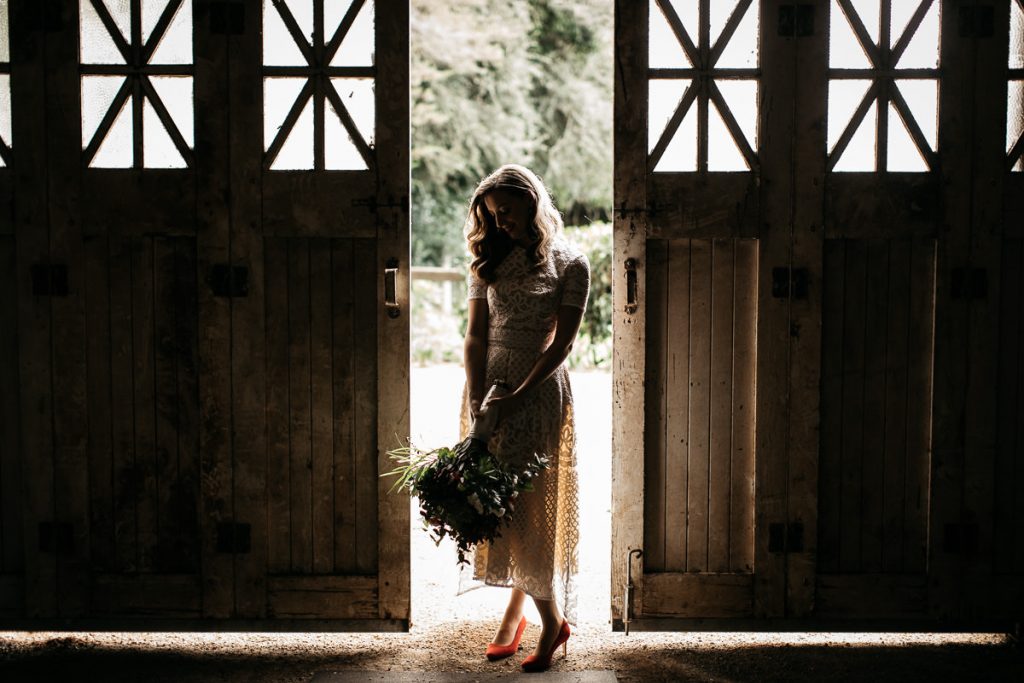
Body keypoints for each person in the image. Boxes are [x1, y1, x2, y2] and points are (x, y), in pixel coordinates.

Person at [459, 164, 590, 673]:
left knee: (526, 505)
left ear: (532, 203)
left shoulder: (570, 262)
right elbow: (475, 335)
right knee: (494, 501)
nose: (501, 223)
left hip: (535, 393)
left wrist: (518, 394)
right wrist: (477, 396)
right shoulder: (488, 260)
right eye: (493, 216)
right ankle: (518, 609)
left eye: (508, 212)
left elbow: (563, 344)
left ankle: (552, 623)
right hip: (486, 389)